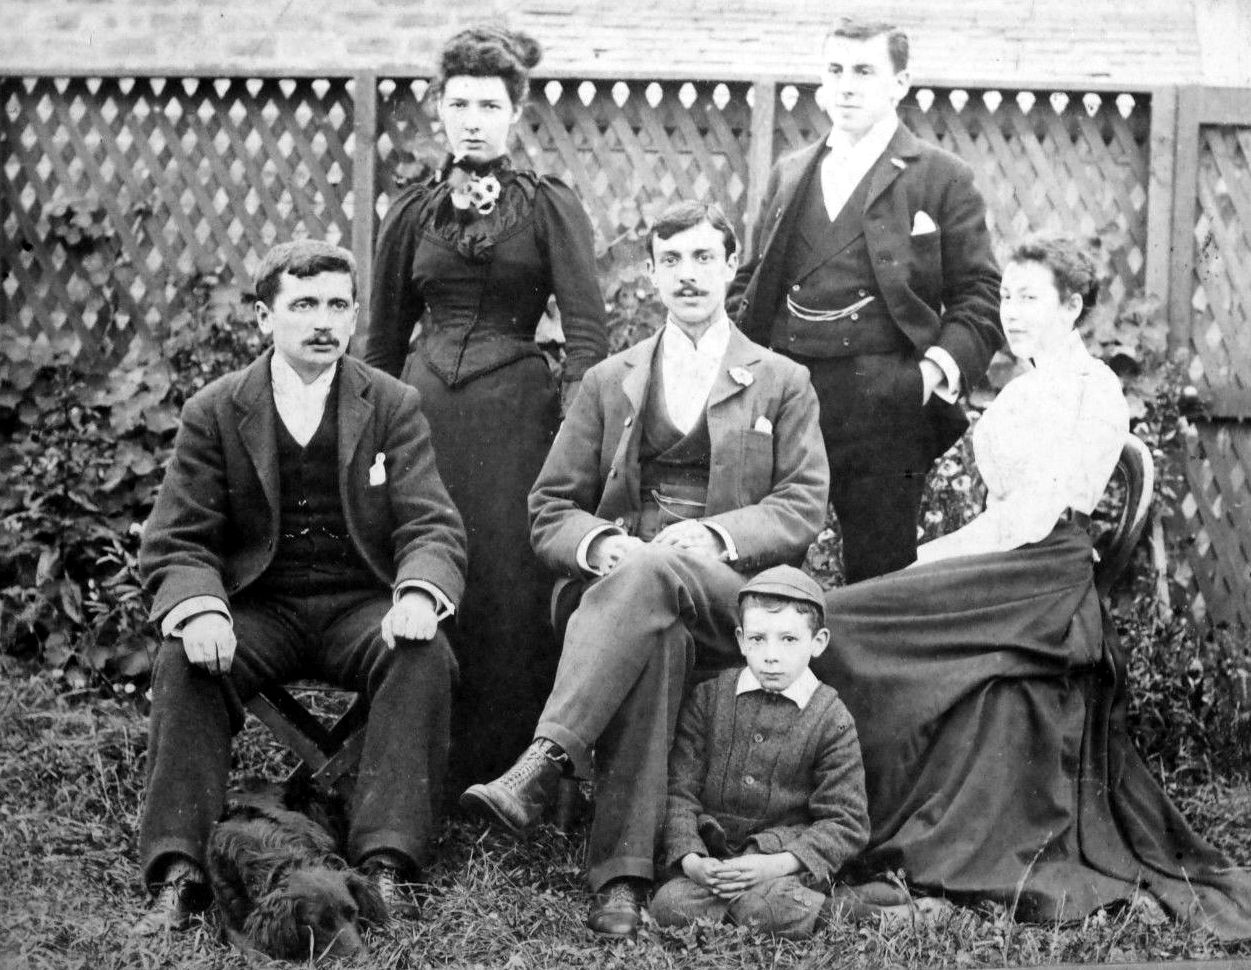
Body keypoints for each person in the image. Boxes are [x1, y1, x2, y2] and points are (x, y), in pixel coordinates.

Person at [811, 234, 1251, 938]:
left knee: (848, 615)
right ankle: (838, 816)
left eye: (1028, 299)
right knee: (845, 614)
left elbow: (1034, 515)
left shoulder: (1091, 388)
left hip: (1042, 575)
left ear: (1071, 305)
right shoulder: (1021, 387)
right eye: (1006, 298)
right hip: (1009, 561)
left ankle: (866, 824)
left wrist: (933, 558)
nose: (1011, 313)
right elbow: (998, 509)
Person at [460, 201, 829, 937]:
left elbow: (803, 503)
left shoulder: (781, 379)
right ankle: (623, 881)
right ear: (651, 274)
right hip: (617, 592)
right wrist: (602, 546)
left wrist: (719, 535)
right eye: (671, 261)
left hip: (734, 595)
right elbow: (551, 508)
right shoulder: (609, 379)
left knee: (661, 575)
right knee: (655, 634)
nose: (687, 275)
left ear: (729, 267)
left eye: (702, 258)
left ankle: (546, 760)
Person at [131, 240, 467, 935]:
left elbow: (431, 525)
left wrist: (415, 593)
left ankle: (386, 863)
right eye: (303, 305)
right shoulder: (216, 409)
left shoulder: (392, 404)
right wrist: (200, 607)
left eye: (337, 306)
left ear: (352, 319)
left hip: (360, 607)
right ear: (264, 317)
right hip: (262, 609)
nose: (322, 322)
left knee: (424, 657)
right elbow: (177, 537)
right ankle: (180, 871)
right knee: (181, 660)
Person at [365, 27, 609, 788]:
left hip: (517, 420)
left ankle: (509, 766)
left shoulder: (546, 207)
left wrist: (576, 434)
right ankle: (423, 759)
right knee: (431, 560)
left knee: (507, 577)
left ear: (515, 114)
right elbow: (379, 342)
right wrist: (372, 438)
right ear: (438, 109)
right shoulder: (410, 211)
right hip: (425, 418)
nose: (473, 118)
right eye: (459, 102)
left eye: (489, 104)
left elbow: (588, 333)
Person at [728, 17, 1002, 583]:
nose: (846, 86)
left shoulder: (942, 178)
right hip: (787, 402)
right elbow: (748, 286)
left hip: (885, 406)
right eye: (835, 71)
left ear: (900, 83)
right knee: (762, 577)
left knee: (879, 582)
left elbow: (979, 295)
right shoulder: (790, 172)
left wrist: (927, 377)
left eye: (864, 71)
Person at [650, 566, 868, 939]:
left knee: (768, 904)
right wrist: (692, 860)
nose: (771, 656)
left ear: (818, 642)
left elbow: (845, 821)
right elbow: (678, 791)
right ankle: (779, 912)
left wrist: (774, 866)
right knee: (669, 904)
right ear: (740, 640)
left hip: (781, 866)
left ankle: (846, 909)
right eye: (758, 639)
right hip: (714, 860)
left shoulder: (831, 718)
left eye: (788, 640)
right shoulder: (708, 698)